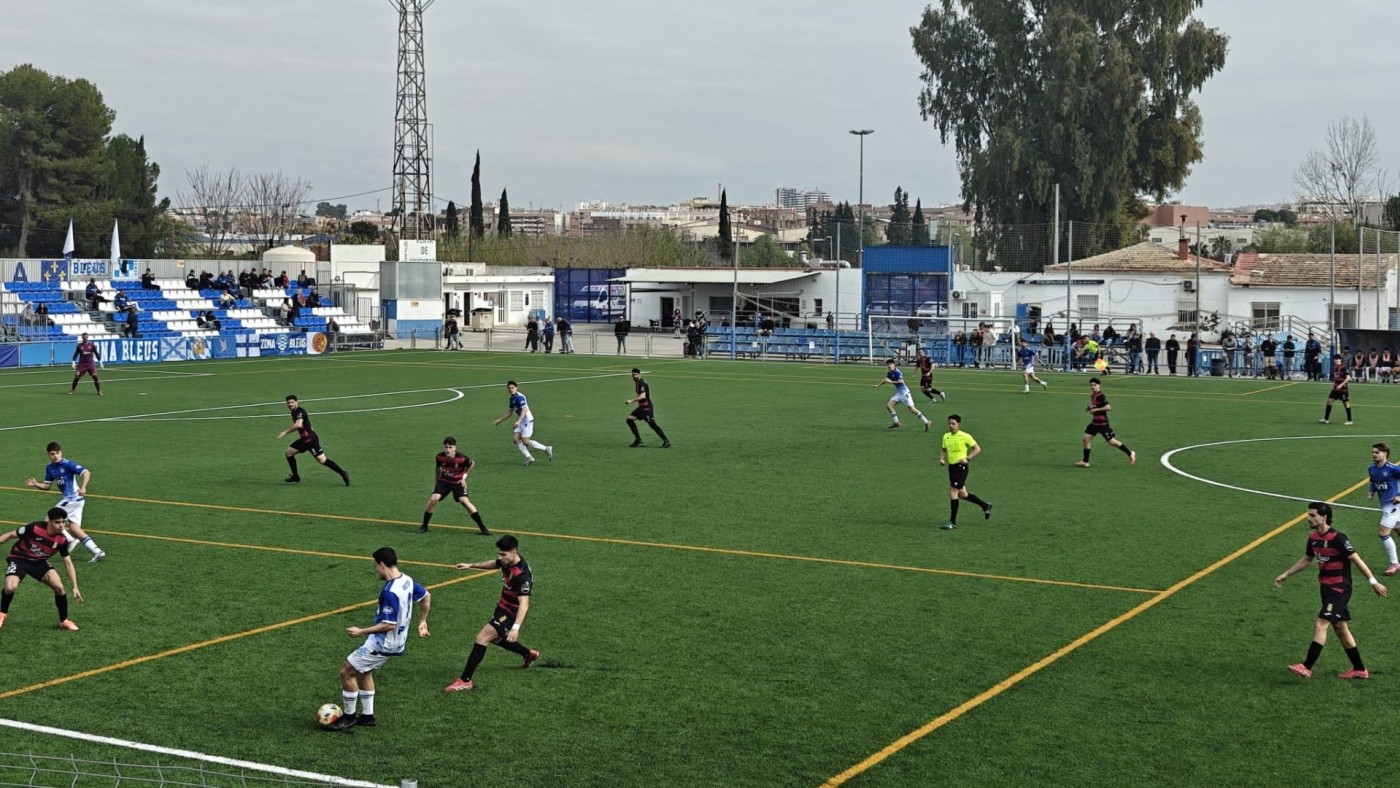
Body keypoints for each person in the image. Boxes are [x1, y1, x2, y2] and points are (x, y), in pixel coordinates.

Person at [322, 546, 431, 730]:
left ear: (382, 564)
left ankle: (349, 717)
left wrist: (361, 631)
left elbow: (389, 624)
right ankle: (368, 716)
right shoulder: (407, 580)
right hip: (393, 641)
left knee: (347, 670)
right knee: (364, 671)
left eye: (375, 566)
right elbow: (426, 596)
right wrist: (422, 621)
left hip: (384, 643)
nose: (376, 570)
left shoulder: (389, 591)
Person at [1275, 501, 1386, 680]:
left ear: (1324, 517)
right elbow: (1307, 560)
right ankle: (1359, 669)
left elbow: (1356, 560)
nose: (1308, 518)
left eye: (1313, 515)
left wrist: (1373, 582)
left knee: (1321, 624)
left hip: (1339, 589)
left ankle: (1306, 667)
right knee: (1340, 627)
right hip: (1326, 588)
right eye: (1308, 514)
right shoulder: (1313, 538)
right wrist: (1286, 574)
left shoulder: (1338, 538)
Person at [444, 534, 540, 692]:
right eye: (499, 553)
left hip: (511, 612)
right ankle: (528, 654)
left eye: (503, 554)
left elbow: (524, 604)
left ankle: (465, 680)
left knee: (482, 637)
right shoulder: (507, 561)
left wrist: (515, 628)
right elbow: (494, 564)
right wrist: (471, 565)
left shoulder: (522, 575)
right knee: (496, 638)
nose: (500, 557)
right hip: (502, 607)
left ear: (514, 551)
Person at [0, 507, 83, 631]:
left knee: (59, 588)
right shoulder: (34, 528)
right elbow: (11, 535)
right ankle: (2, 613)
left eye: (63, 522)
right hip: (19, 558)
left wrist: (75, 586)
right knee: (10, 587)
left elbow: (68, 563)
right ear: (49, 522)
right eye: (57, 522)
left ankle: (64, 621)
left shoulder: (62, 540)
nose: (61, 525)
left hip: (39, 562)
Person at [24, 442, 105, 561]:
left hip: (73, 498)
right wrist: (36, 484)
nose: (55, 456)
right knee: (75, 529)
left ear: (61, 453)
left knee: (49, 519)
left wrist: (83, 487)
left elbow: (86, 472)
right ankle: (97, 551)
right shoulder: (50, 468)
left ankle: (70, 540)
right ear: (49, 455)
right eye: (52, 454)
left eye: (57, 453)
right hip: (75, 500)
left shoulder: (67, 464)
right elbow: (47, 486)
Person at [419, 437, 491, 535]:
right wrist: (436, 483)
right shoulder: (439, 457)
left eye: (450, 447)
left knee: (464, 501)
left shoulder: (462, 458)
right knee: (433, 499)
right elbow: (438, 469)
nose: (448, 449)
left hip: (457, 482)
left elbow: (472, 463)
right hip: (444, 481)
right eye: (446, 447)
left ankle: (482, 527)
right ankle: (424, 526)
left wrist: (464, 477)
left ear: (455, 448)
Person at [277, 395, 351, 485]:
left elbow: (298, 425)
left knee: (322, 459)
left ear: (296, 402)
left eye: (292, 402)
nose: (290, 404)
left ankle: (343, 473)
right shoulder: (293, 412)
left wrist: (285, 432)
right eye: (288, 403)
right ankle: (295, 477)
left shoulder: (300, 411)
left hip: (310, 439)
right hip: (304, 439)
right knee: (289, 453)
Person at [938, 414, 992, 530]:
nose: (951, 425)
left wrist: (968, 458)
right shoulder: (946, 436)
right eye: (949, 423)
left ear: (959, 424)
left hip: (961, 467)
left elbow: (977, 449)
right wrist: (942, 459)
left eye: (953, 424)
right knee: (962, 494)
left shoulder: (965, 436)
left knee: (953, 491)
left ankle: (952, 522)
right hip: (951, 468)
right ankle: (985, 505)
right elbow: (943, 449)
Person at [1076, 377, 1136, 468]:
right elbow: (1096, 405)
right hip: (1094, 423)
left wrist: (1096, 409)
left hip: (1102, 424)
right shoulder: (1093, 395)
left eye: (1094, 385)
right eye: (1091, 385)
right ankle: (1085, 461)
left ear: (1099, 385)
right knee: (1086, 439)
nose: (1093, 386)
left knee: (1112, 442)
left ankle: (1130, 453)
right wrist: (1090, 407)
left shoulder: (1101, 396)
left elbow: (1108, 407)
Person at [493, 381, 553, 466]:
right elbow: (510, 411)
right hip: (521, 420)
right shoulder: (512, 398)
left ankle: (546, 448)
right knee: (516, 439)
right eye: (509, 388)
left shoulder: (519, 397)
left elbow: (525, 409)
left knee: (525, 441)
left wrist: (518, 421)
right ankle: (529, 457)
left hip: (527, 420)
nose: (511, 389)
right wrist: (500, 420)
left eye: (512, 388)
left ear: (516, 388)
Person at [1365, 443, 1400, 576]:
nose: (1374, 454)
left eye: (1377, 452)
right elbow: (1373, 481)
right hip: (1386, 505)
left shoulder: (1393, 469)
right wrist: (1371, 492)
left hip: (1394, 506)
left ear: (1385, 453)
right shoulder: (1372, 468)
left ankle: (1394, 563)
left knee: (1383, 533)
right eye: (1373, 452)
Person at [872, 359, 932, 431]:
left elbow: (901, 381)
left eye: (891, 364)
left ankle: (927, 422)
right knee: (889, 406)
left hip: (905, 393)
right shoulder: (890, 373)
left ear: (894, 365)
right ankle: (896, 422)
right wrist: (878, 385)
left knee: (912, 409)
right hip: (899, 393)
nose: (889, 365)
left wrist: (891, 382)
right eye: (888, 364)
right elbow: (885, 380)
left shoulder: (897, 372)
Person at [625, 368, 671, 448]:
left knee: (652, 424)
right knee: (629, 420)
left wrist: (631, 401)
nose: (634, 376)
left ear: (639, 374)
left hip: (647, 408)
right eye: (633, 375)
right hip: (641, 408)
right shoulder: (637, 382)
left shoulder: (641, 383)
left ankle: (666, 441)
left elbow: (643, 396)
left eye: (636, 375)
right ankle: (638, 439)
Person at [1318, 355, 1352, 425]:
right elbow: (1336, 378)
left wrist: (1341, 385)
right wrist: (1335, 384)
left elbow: (1348, 378)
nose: (1335, 360)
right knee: (1329, 401)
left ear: (1340, 360)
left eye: (1337, 359)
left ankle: (1349, 421)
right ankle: (1326, 419)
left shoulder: (1344, 367)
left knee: (1346, 404)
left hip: (1343, 390)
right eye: (1334, 359)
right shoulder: (1334, 367)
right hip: (1335, 389)